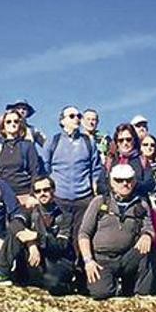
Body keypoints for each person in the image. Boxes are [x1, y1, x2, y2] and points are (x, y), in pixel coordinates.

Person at [0, 176, 76, 295]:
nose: (42, 194)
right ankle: (1, 271)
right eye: (38, 191)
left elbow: (62, 245)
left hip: (55, 261)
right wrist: (31, 244)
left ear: (53, 190)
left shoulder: (65, 215)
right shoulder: (30, 211)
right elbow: (15, 223)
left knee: (55, 286)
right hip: (33, 258)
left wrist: (37, 237)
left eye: (46, 190)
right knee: (16, 230)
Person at [79, 164, 155, 300]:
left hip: (127, 257)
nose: (125, 184)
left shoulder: (142, 204)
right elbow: (84, 233)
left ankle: (141, 296)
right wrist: (88, 260)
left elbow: (149, 226)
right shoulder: (99, 202)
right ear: (111, 182)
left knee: (146, 250)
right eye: (119, 180)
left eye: (129, 180)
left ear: (134, 181)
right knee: (101, 294)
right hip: (101, 259)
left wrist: (147, 235)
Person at [44, 106, 104, 250]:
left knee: (82, 240)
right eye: (71, 116)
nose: (76, 118)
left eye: (78, 115)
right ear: (62, 121)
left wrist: (96, 193)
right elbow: (45, 167)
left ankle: (80, 271)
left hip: (83, 200)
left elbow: (96, 170)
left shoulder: (89, 142)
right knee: (60, 239)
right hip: (59, 199)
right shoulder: (53, 141)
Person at [0, 109, 41, 203]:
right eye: (8, 122)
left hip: (24, 194)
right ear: (3, 125)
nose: (12, 124)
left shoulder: (27, 146)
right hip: (3, 195)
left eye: (16, 121)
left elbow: (35, 172)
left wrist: (32, 195)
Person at [104, 123, 155, 198]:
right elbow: (101, 183)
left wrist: (131, 186)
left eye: (128, 139)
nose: (125, 143)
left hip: (137, 203)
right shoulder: (110, 160)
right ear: (116, 142)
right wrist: (116, 188)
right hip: (113, 204)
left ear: (134, 140)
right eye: (121, 140)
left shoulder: (142, 159)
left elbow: (150, 183)